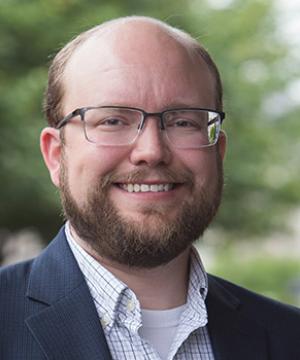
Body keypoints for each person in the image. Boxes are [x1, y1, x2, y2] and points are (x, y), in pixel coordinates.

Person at [0, 16, 299, 360]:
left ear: (218, 152)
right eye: (112, 120)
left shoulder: (289, 338)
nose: (152, 151)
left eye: (183, 121)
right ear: (56, 155)